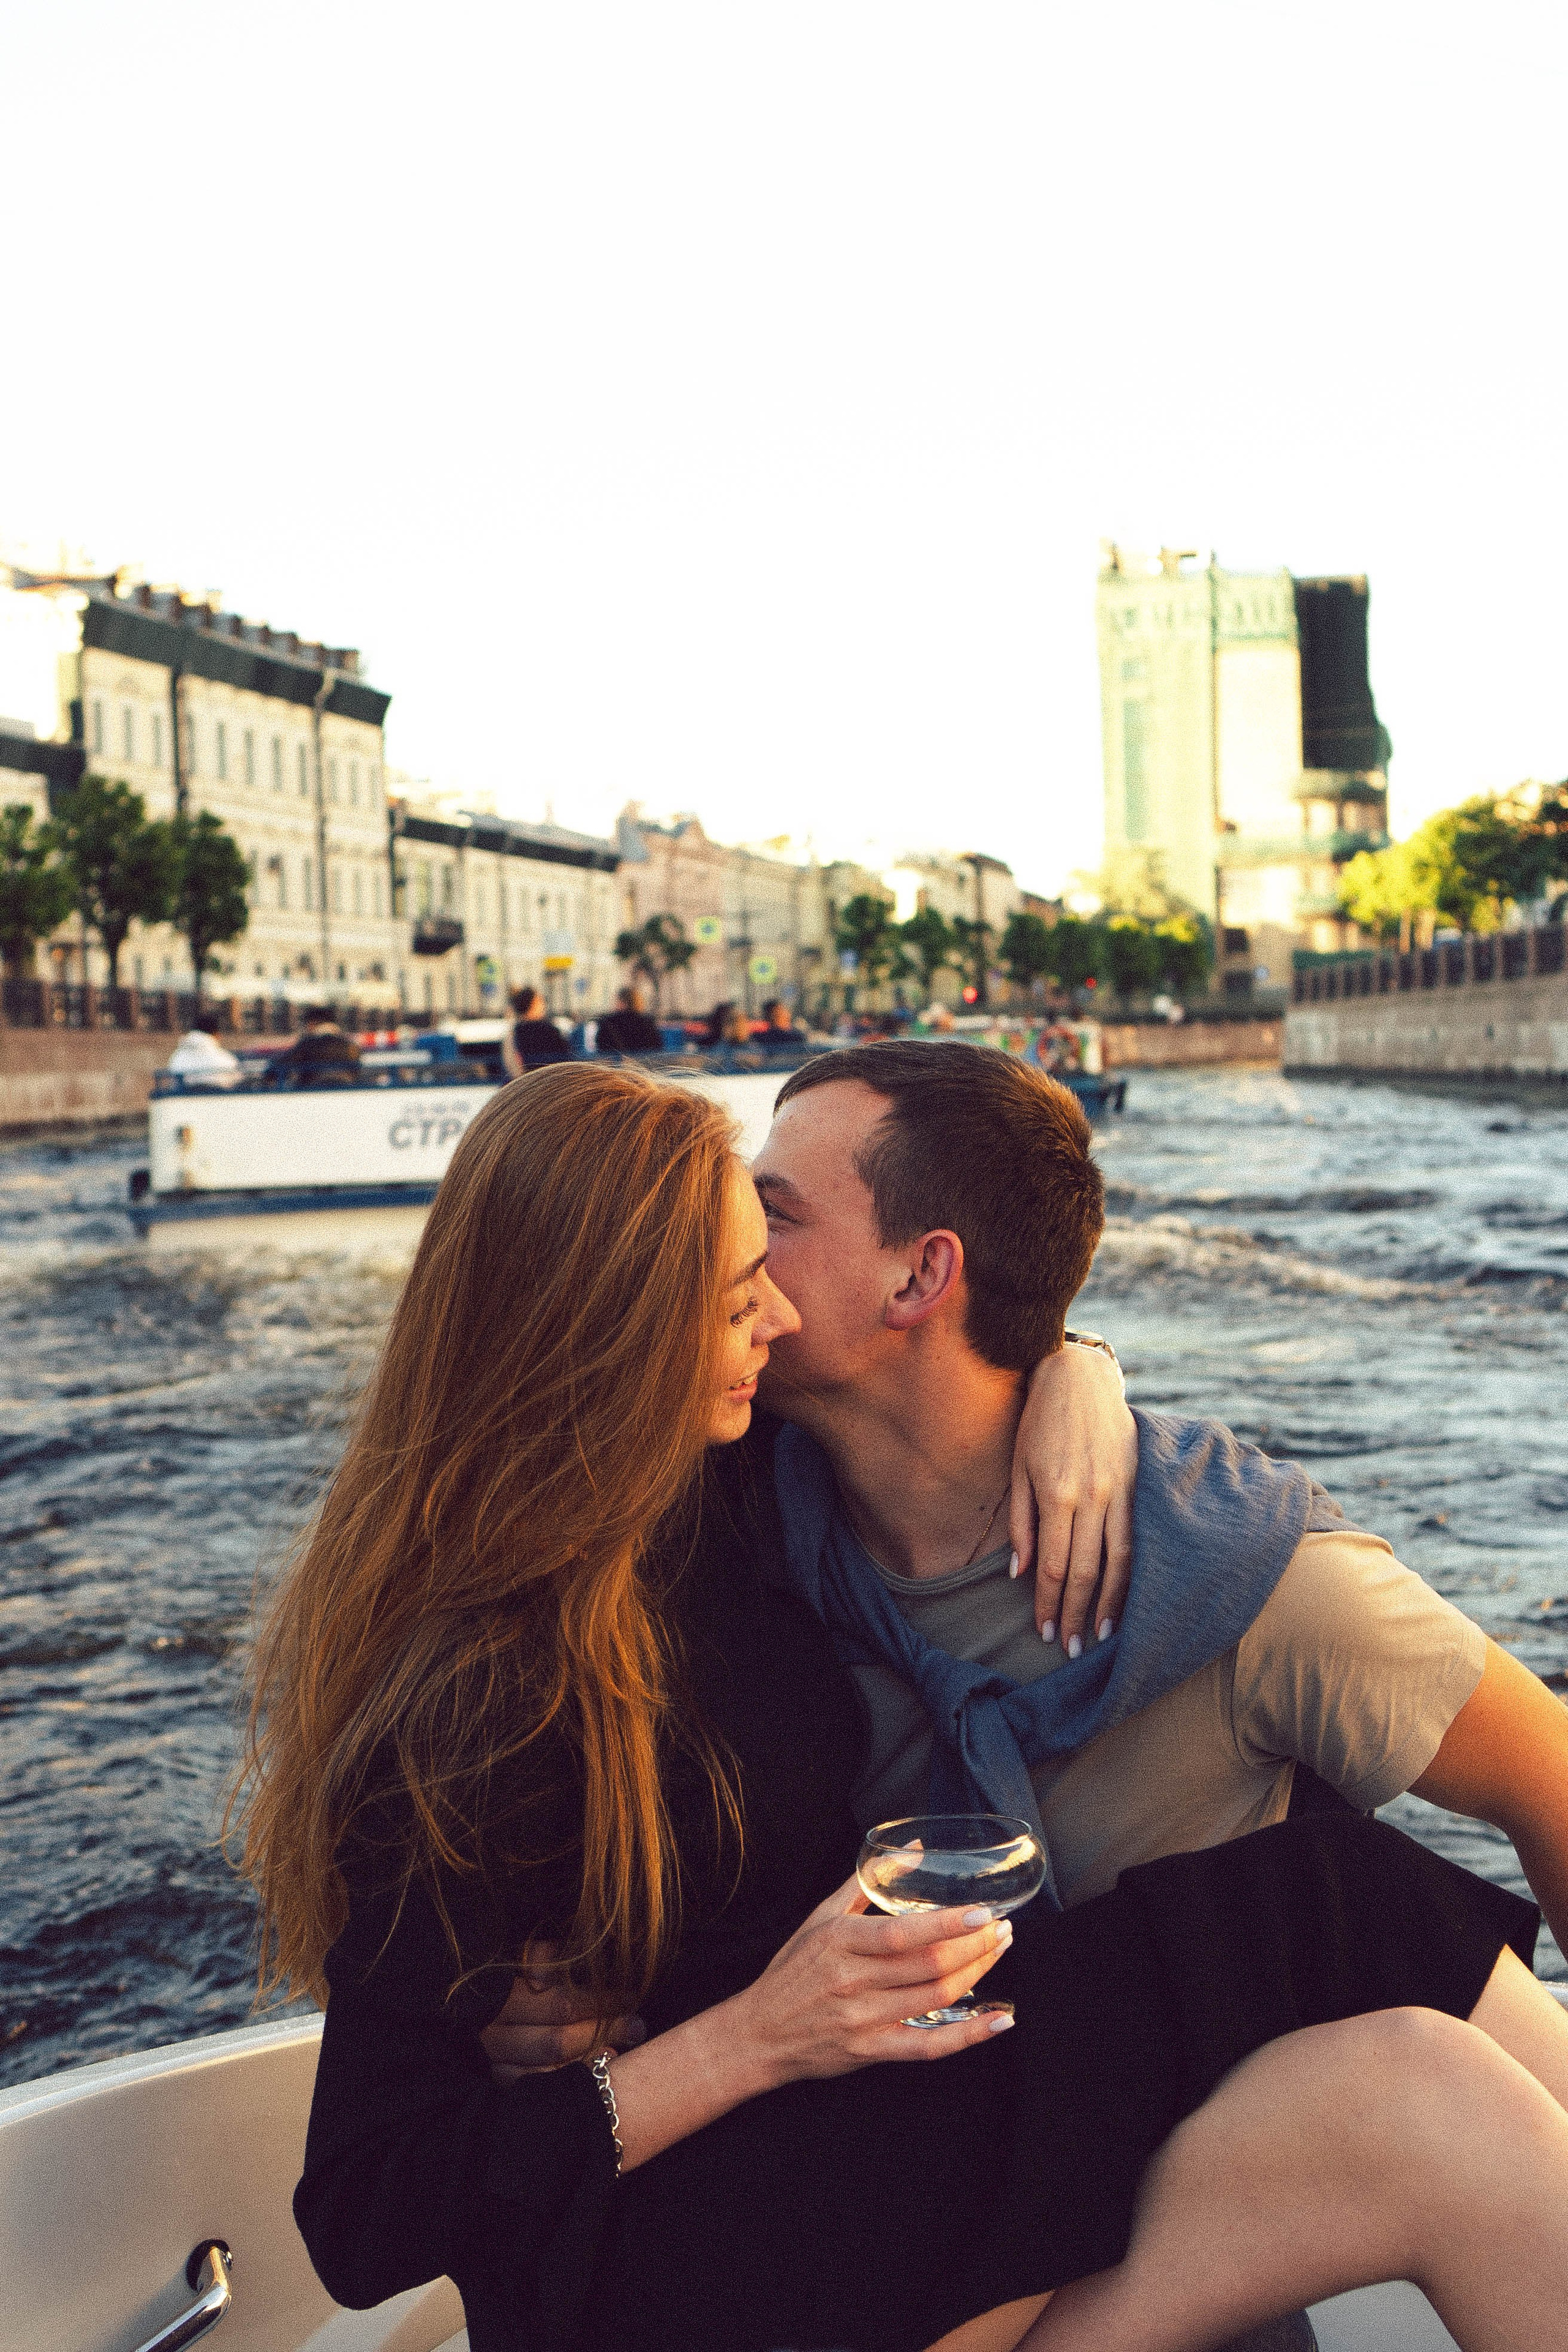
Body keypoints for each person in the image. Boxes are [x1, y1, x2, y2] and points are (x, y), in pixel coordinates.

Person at [236, 1064, 1568, 2352]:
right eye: (732, 1289)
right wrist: (744, 2041)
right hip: (690, 2243)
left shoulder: (730, 1497)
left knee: (1415, 2087)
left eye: (771, 1256)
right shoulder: (469, 1695)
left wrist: (1072, 1373)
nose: (767, 1316)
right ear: (617, 1335)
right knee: (1328, 1902)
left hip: (849, 2133)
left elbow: (948, 1372)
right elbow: (364, 2213)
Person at [265, 1005, 360, 1086]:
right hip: (347, 1090)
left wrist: (268, 1075)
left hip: (312, 1091)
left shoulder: (308, 1043)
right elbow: (356, 1072)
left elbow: (283, 1064)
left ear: (312, 1023)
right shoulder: (351, 1045)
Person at [506, 986, 570, 1074]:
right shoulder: (547, 1029)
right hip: (549, 1078)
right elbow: (566, 1055)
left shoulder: (514, 1032)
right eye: (539, 1001)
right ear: (532, 1005)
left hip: (526, 1078)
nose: (543, 1005)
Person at [165, 1014, 242, 1085]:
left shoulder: (176, 1058)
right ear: (216, 1034)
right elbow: (237, 1083)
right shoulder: (226, 1060)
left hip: (181, 1098)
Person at [596, 984, 665, 1057]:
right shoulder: (647, 1023)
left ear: (621, 1002)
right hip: (642, 1065)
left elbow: (602, 1047)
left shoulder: (609, 1022)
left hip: (615, 1064)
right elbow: (657, 1047)